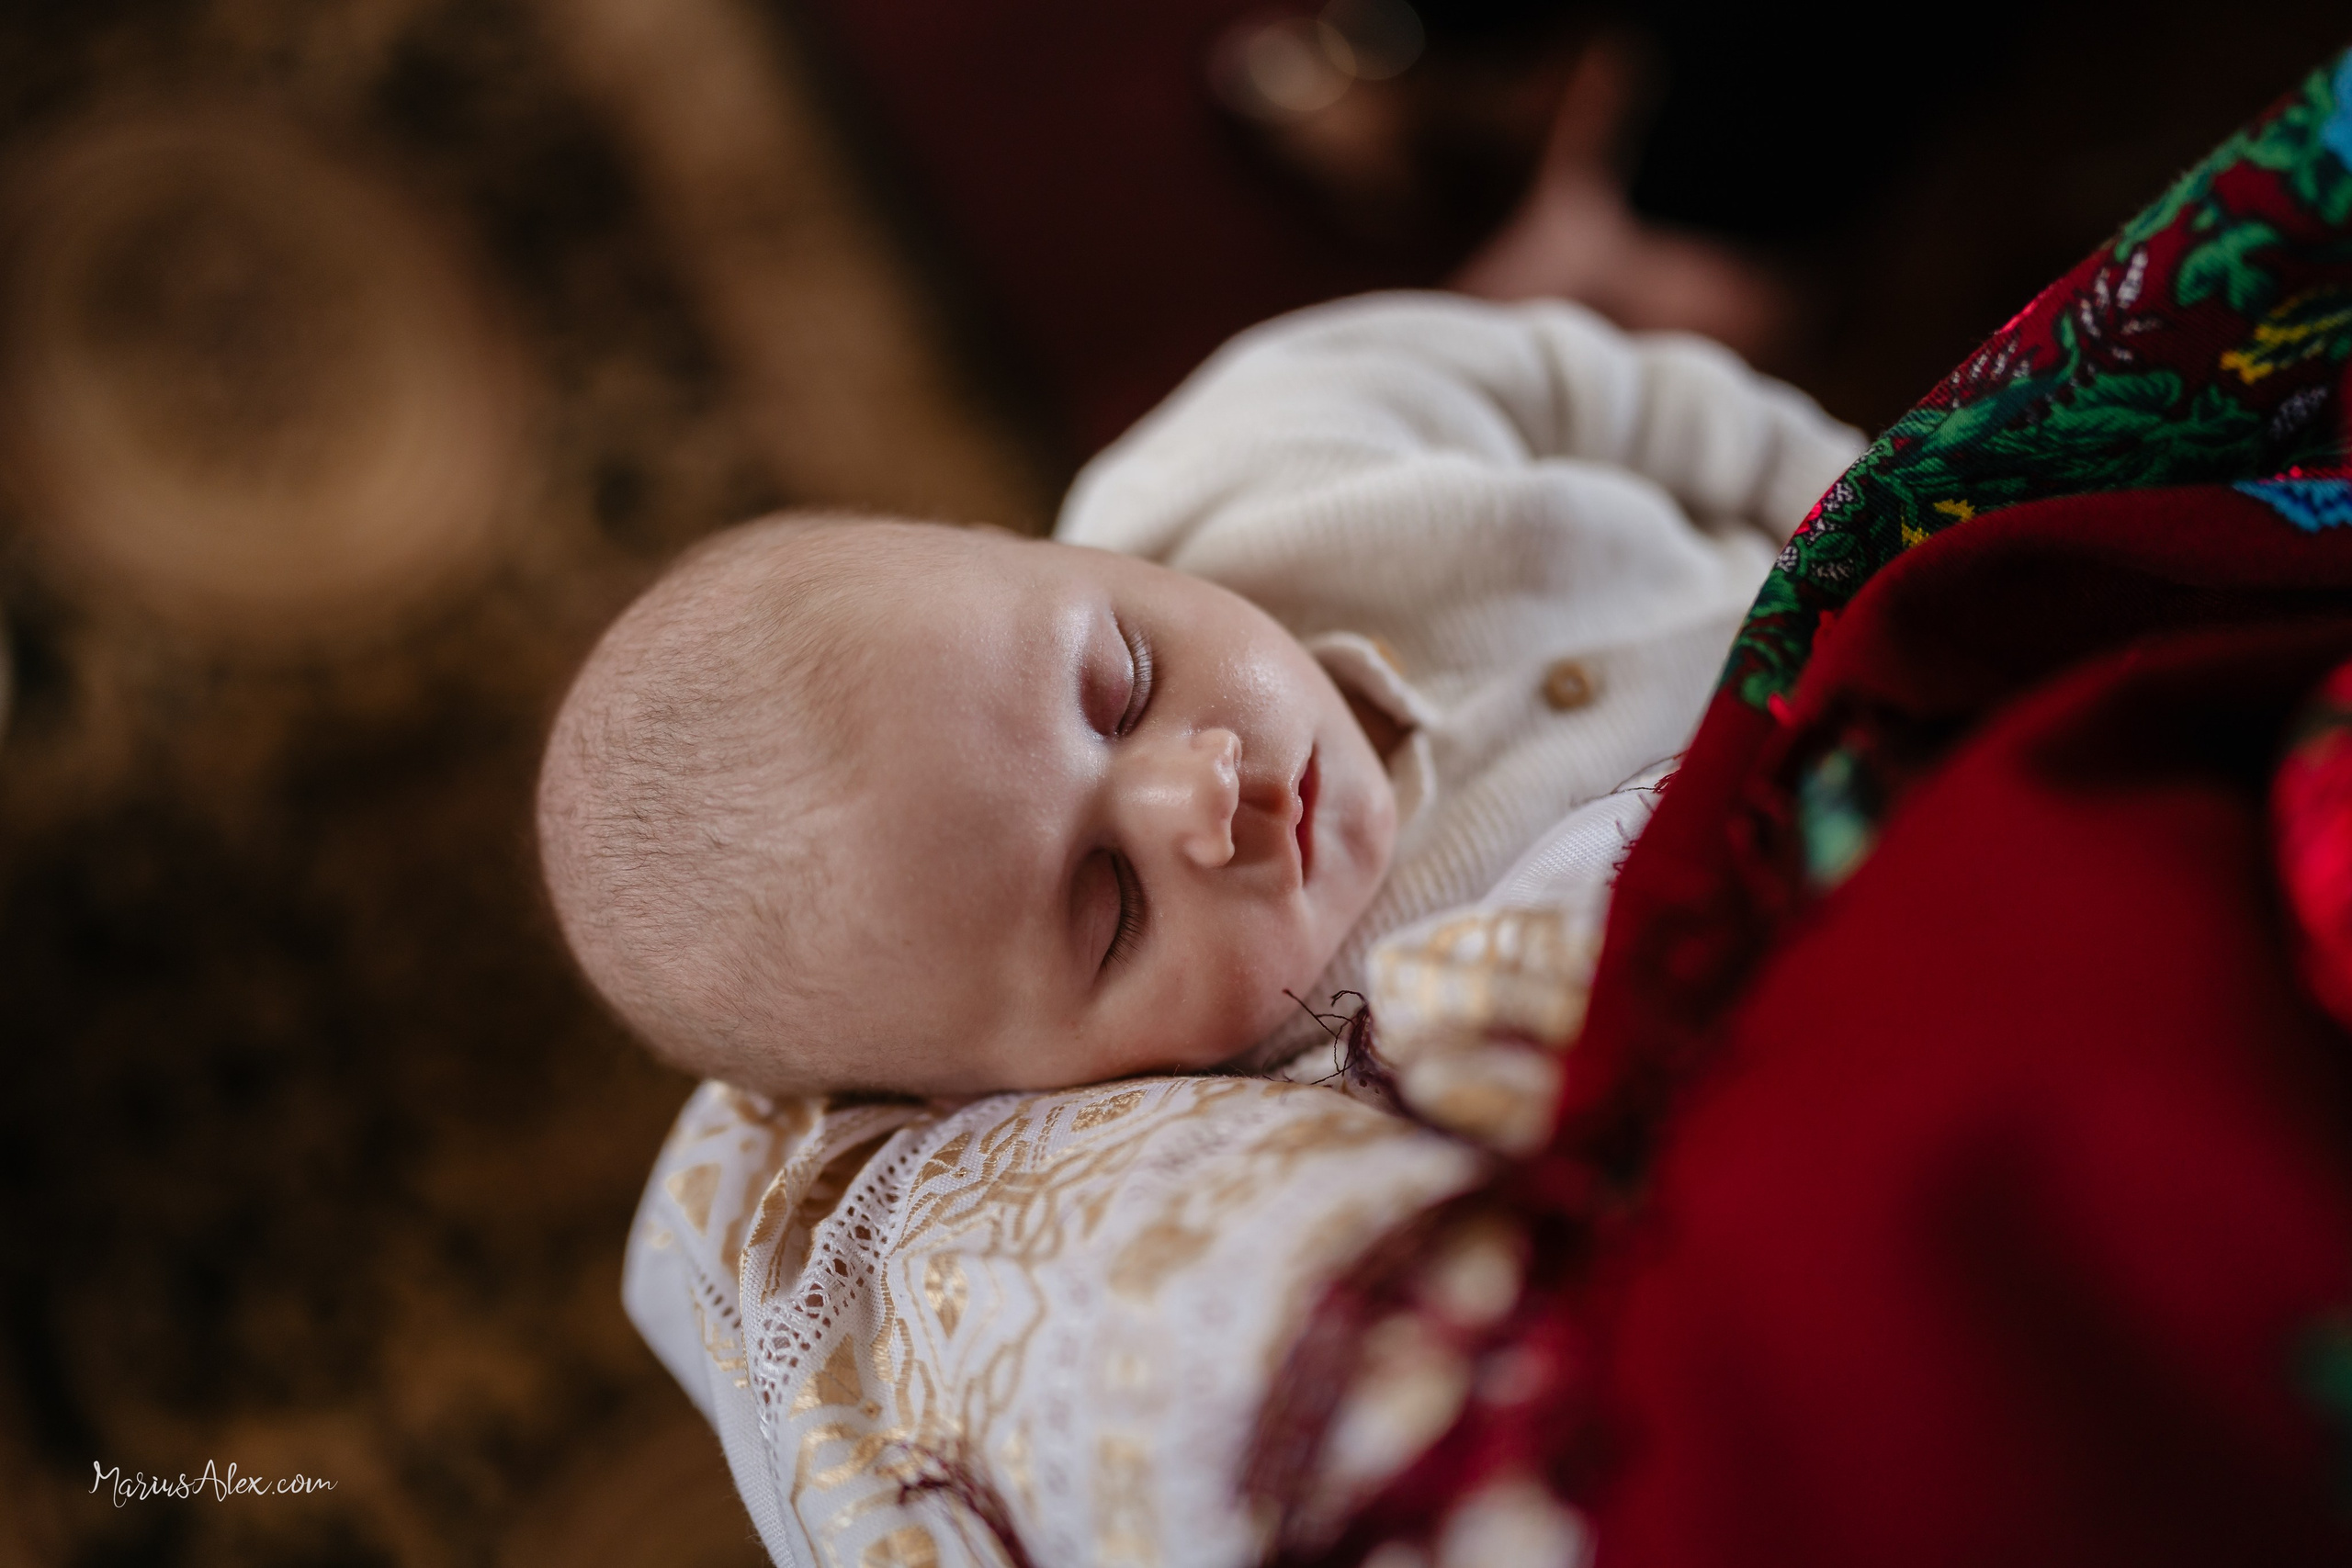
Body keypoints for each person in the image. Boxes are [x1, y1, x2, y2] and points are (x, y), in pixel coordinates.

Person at [537, 291, 1860, 1100]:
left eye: (1122, 687)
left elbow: (1591, 388)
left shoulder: (1259, 445)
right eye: (1110, 909)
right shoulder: (1360, 1041)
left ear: (1056, 549)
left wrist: (1856, 487)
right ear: (1015, 1092)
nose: (1204, 796)